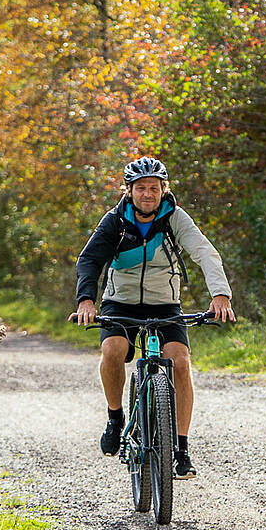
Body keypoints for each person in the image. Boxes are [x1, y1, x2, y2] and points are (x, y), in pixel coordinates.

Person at [74, 156, 235, 481]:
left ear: (163, 190)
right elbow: (90, 260)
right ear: (129, 190)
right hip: (121, 303)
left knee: (180, 361)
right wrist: (86, 300)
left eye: (154, 188)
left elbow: (203, 251)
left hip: (164, 305)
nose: (148, 194)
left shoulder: (174, 218)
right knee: (113, 351)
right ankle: (115, 417)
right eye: (141, 188)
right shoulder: (115, 221)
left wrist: (221, 294)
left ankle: (181, 449)